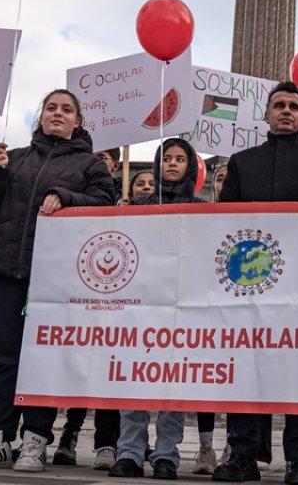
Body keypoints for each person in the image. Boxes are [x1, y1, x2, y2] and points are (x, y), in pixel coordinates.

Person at [0, 89, 116, 472]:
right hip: (5, 272)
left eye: (66, 109)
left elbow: (105, 204)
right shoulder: (13, 158)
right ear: (41, 116)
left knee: (44, 360)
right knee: (4, 360)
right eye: (51, 108)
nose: (58, 114)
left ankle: (35, 440)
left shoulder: (90, 166)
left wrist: (64, 196)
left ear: (77, 121)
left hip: (55, 279)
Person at [213, 81, 298, 485]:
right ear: (266, 114)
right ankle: (243, 454)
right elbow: (222, 220)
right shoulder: (242, 162)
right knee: (245, 367)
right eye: (279, 105)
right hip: (247, 283)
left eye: (294, 106)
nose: (286, 111)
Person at [106, 138, 207, 479]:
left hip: (179, 308)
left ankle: (166, 454)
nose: (173, 164)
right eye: (167, 158)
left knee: (172, 384)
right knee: (133, 380)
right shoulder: (139, 204)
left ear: (190, 167)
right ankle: (130, 452)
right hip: (139, 305)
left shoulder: (201, 209)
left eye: (180, 159)